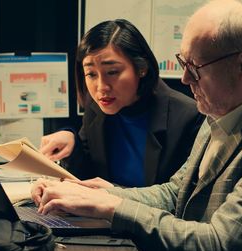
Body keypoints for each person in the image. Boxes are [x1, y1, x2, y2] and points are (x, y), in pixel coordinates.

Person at [32, 1, 242, 251]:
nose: (184, 80)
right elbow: (176, 192)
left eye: (195, 69)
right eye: (183, 64)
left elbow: (217, 248)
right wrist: (103, 195)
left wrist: (114, 207)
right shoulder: (226, 107)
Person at [39, 19, 204, 187]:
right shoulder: (96, 108)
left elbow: (181, 199)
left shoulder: (188, 116)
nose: (101, 87)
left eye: (112, 72)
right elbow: (87, 173)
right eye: (91, 74)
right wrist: (71, 140)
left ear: (141, 68)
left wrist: (115, 195)